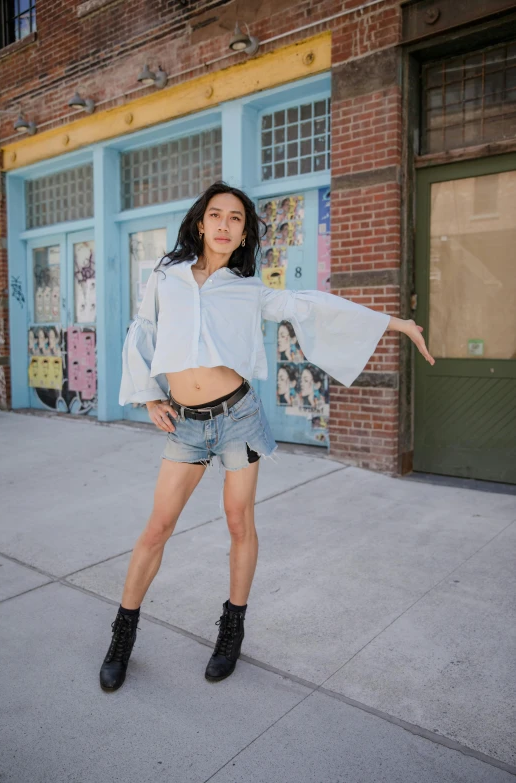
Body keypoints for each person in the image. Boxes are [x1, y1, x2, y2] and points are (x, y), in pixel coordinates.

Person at [99, 180, 435, 693]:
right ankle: (122, 637)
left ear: (244, 232)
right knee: (156, 529)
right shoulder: (166, 277)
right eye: (216, 215)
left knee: (239, 524)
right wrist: (148, 396)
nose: (225, 225)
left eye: (236, 218)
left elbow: (312, 306)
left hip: (238, 419)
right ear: (199, 222)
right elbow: (142, 331)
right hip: (186, 424)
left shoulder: (249, 289)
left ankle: (231, 630)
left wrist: (396, 322)